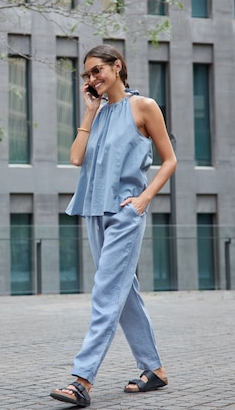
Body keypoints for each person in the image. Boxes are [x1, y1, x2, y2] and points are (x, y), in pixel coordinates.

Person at [50, 44, 177, 408]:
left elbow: (169, 160)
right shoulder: (99, 112)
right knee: (124, 293)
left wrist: (143, 199)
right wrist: (90, 112)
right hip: (93, 211)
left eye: (97, 71)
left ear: (117, 66)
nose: (92, 79)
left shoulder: (144, 107)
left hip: (124, 214)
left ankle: (81, 379)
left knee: (106, 293)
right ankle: (154, 369)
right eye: (87, 75)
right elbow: (76, 158)